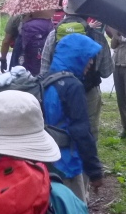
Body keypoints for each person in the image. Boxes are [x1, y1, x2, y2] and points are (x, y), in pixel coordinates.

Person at [43, 33, 105, 202]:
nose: (91, 63)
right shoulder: (73, 87)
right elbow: (81, 131)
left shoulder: (45, 80)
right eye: (88, 57)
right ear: (76, 57)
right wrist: (94, 172)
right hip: (67, 165)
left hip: (46, 162)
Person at [40, 2, 113, 143]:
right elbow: (106, 71)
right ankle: (87, 159)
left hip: (58, 90)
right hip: (89, 90)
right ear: (87, 15)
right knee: (89, 128)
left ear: (66, 12)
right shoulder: (97, 37)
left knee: (59, 127)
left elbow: (44, 70)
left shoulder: (53, 35)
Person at [18, 8, 56, 76]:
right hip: (45, 56)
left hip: (30, 59)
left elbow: (23, 45)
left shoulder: (27, 25)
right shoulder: (49, 23)